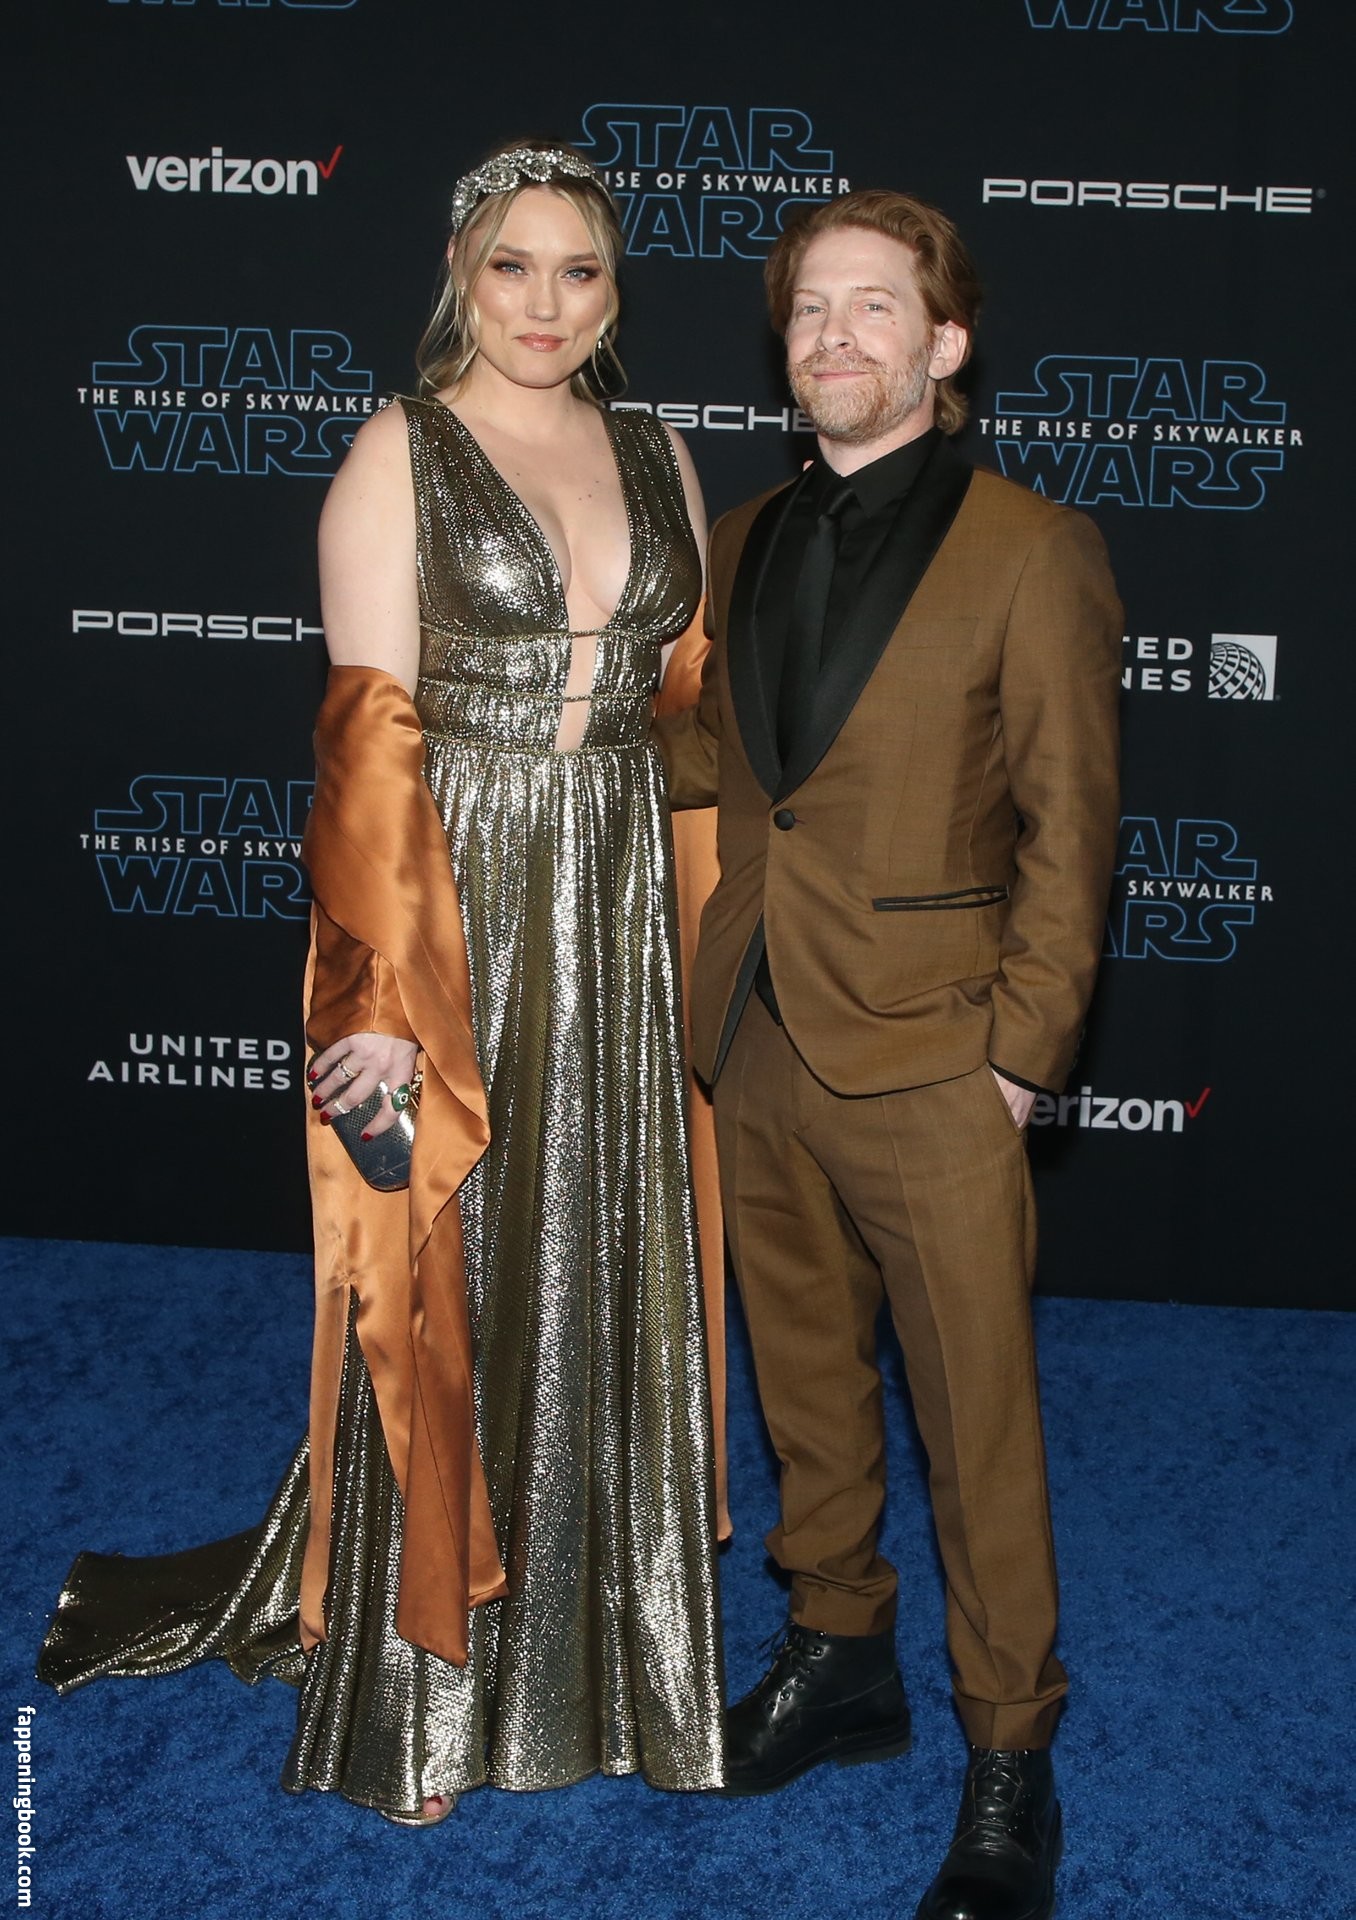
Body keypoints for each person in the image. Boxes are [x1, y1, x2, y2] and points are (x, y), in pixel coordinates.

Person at [39, 141, 725, 1824]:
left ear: (614, 291)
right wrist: (369, 1006)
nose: (546, 304)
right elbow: (364, 754)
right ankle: (428, 1682)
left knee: (602, 1242)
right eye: (512, 267)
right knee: (448, 1261)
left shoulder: (660, 451)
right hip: (455, 896)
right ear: (460, 276)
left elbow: (692, 713)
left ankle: (606, 1653)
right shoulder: (397, 452)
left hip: (624, 891)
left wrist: (731, 948)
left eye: (579, 270)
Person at [655, 189, 1121, 1920]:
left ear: (945, 341)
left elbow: (1075, 827)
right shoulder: (746, 533)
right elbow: (721, 762)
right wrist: (536, 733)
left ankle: (1010, 1749)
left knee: (975, 1420)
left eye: (873, 306)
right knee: (805, 1381)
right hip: (762, 1025)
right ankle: (840, 1653)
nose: (834, 335)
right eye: (808, 310)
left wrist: (1020, 1056)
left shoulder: (1033, 549)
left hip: (937, 1052)